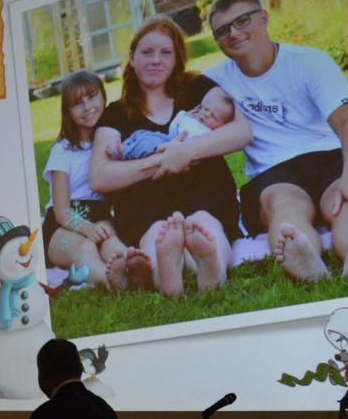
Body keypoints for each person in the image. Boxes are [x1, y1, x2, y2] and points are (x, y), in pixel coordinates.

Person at [204, 0, 348, 283]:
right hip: (273, 170)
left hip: (330, 156)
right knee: (285, 205)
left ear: (263, 18)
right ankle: (304, 258)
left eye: (242, 21)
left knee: (344, 200)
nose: (234, 33)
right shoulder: (214, 80)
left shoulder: (308, 62)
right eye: (222, 31)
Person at [88, 15, 252, 297]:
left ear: (177, 59)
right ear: (132, 58)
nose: (156, 60)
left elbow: (241, 131)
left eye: (165, 52)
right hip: (146, 202)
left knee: (206, 224)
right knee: (157, 233)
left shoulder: (197, 89)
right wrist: (159, 162)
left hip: (204, 189)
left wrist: (186, 152)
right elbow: (99, 176)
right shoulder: (116, 113)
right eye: (147, 52)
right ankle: (165, 273)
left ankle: (211, 266)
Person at [42, 71, 131, 290]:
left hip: (99, 216)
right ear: (68, 112)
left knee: (110, 241)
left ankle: (136, 267)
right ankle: (108, 280)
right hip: (64, 224)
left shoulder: (112, 143)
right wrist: (87, 229)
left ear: (103, 96)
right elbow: (61, 211)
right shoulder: (62, 150)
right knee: (86, 248)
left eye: (92, 97)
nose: (87, 107)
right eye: (77, 103)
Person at [112, 85, 237, 160]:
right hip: (166, 137)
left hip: (169, 146)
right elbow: (173, 128)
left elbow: (188, 144)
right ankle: (125, 145)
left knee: (146, 145)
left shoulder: (206, 133)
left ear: (221, 127)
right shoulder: (192, 120)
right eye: (206, 109)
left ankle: (123, 153)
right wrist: (184, 116)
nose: (207, 114)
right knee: (141, 133)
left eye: (214, 117)